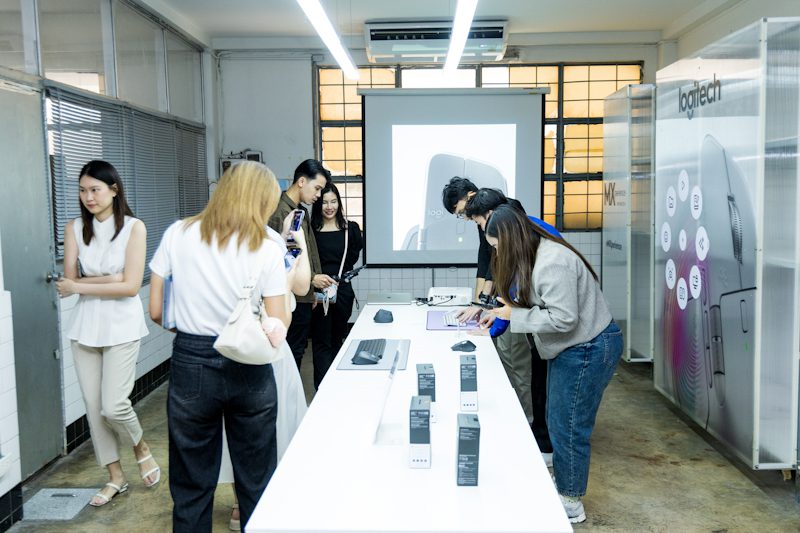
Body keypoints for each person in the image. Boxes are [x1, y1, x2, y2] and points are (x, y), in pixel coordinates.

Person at [148, 161, 289, 532]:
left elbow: (156, 310)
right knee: (257, 479)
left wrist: (193, 330)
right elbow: (278, 324)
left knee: (191, 483)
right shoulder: (267, 246)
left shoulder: (178, 233)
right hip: (250, 366)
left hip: (191, 362)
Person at [481, 205, 622, 524]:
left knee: (568, 426)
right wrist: (503, 313)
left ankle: (570, 502)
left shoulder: (552, 262)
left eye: (498, 246)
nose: (497, 253)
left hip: (587, 347)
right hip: (575, 346)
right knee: (558, 419)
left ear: (512, 238)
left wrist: (513, 315)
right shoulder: (533, 254)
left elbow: (564, 318)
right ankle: (565, 485)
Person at [55, 160, 160, 507]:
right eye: (82, 191)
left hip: (122, 326)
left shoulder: (134, 228)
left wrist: (87, 285)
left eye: (95, 190)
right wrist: (109, 279)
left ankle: (140, 447)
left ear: (114, 190)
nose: (88, 197)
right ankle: (115, 477)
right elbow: (67, 284)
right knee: (94, 407)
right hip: (85, 326)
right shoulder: (74, 229)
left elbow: (130, 287)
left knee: (114, 406)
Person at [464, 188, 558, 464]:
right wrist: (493, 326)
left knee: (540, 385)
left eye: (479, 222)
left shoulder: (536, 242)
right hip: (538, 321)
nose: (482, 231)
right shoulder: (510, 240)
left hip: (556, 327)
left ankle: (541, 443)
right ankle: (536, 437)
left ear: (493, 216)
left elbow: (523, 298)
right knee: (537, 381)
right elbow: (510, 298)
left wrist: (503, 316)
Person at [268, 159, 330, 371]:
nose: (319, 195)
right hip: (290, 297)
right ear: (301, 181)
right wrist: (310, 280)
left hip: (302, 295)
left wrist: (311, 291)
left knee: (297, 349)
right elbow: (281, 260)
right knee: (290, 351)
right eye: (317, 188)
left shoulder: (299, 211)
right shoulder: (281, 212)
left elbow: (306, 253)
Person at [309, 183, 363, 389]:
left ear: (339, 203)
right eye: (324, 202)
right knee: (321, 341)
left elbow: (353, 257)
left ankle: (337, 388)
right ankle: (322, 389)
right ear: (318, 204)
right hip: (318, 293)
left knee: (337, 339)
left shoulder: (351, 229)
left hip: (341, 292)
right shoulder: (311, 231)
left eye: (333, 201)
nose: (329, 207)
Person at [441, 177, 488, 300]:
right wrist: (478, 302)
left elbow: (496, 262)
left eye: (462, 211)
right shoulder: (481, 221)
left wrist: (482, 301)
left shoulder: (504, 214)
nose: (466, 218)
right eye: (461, 215)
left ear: (471, 195)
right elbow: (484, 259)